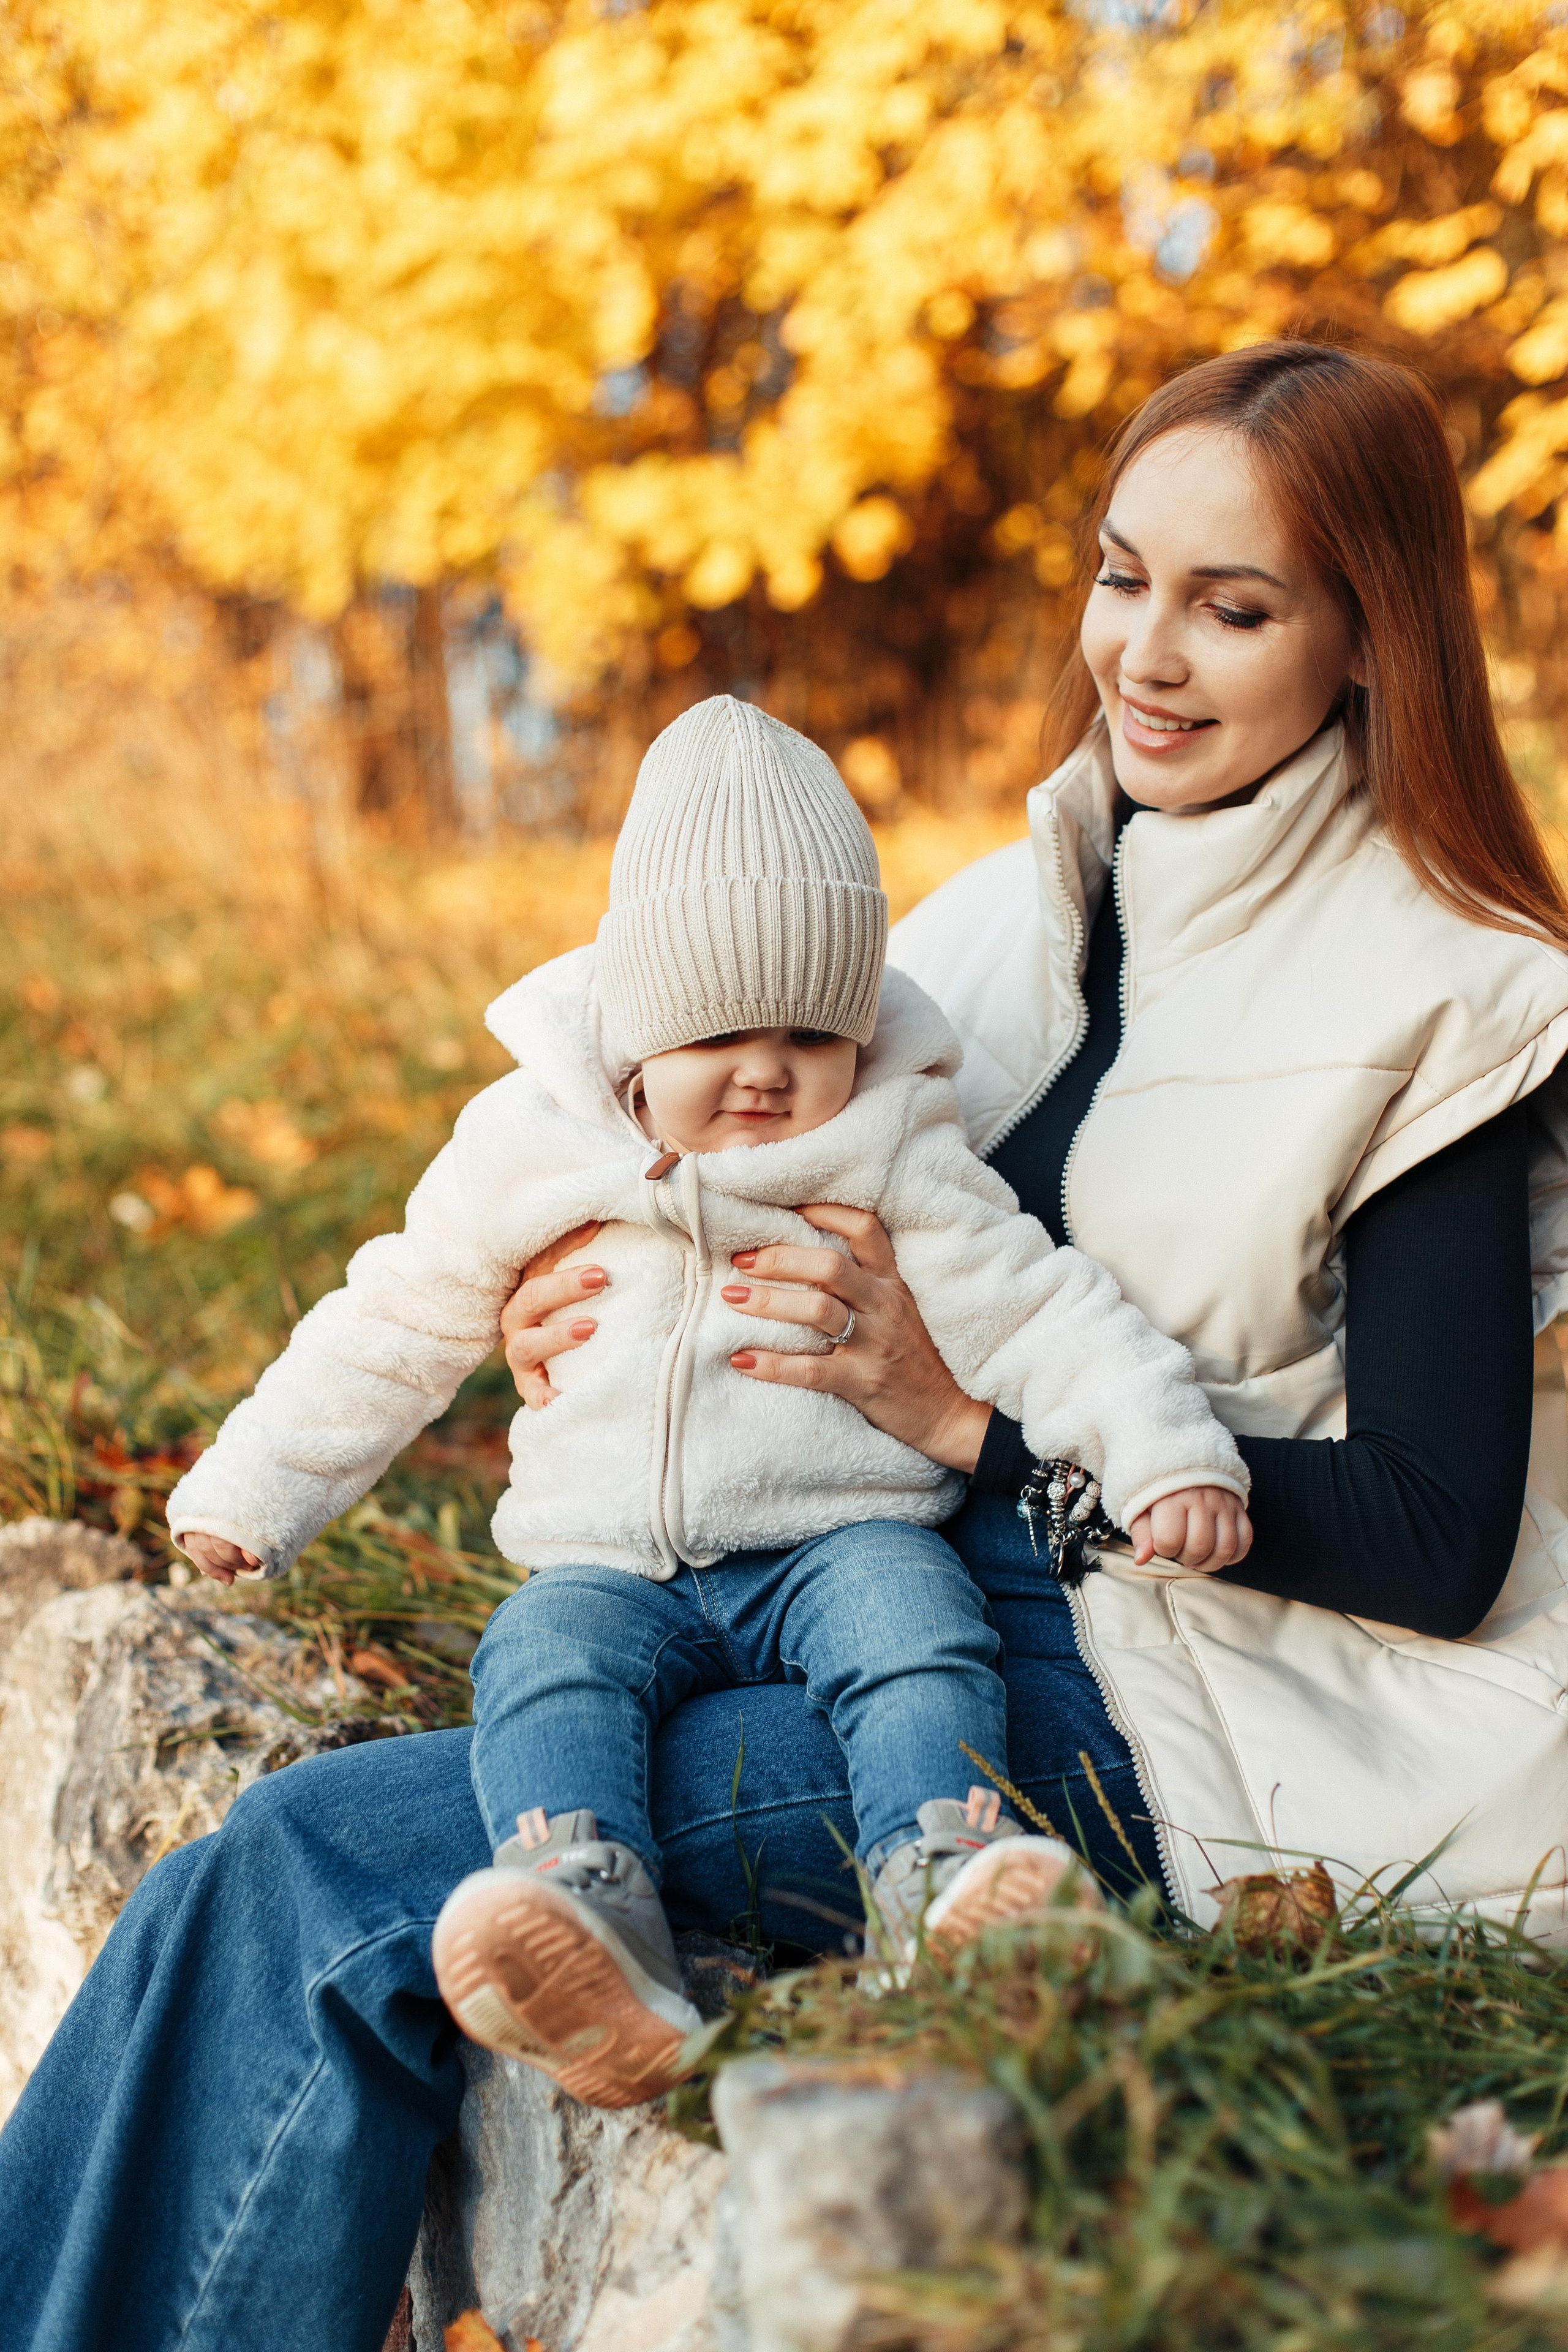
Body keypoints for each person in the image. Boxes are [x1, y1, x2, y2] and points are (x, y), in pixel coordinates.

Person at [6, 337, 1568, 2352]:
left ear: (1373, 640)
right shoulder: (1007, 913)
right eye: (1122, 578)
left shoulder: (1451, 998)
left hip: (1157, 1713)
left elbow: (1437, 1534)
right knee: (277, 1855)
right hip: (836, 1584)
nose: (1148, 659)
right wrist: (542, 1284)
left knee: (318, 1864)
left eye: (1234, 607)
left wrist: (969, 1422)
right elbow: (699, 1073)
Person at [162, 692, 1250, 2108]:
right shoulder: (529, 1146)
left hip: (836, 1533)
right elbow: (392, 1318)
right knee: (542, 1664)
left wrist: (1162, 1453)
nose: (768, 1071)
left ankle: (955, 1886)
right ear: (635, 1028)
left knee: (920, 1637)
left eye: (812, 1031)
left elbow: (1043, 1310)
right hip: (610, 1553)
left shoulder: (892, 1144)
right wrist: (254, 1493)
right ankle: (579, 1913)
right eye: (721, 1031)